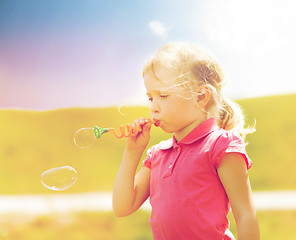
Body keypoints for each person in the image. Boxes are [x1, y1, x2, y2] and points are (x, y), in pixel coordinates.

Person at [112, 42, 260, 240]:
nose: (154, 107)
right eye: (150, 98)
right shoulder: (158, 154)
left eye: (163, 95)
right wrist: (132, 151)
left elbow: (245, 214)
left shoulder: (220, 145)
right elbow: (122, 207)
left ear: (201, 97)